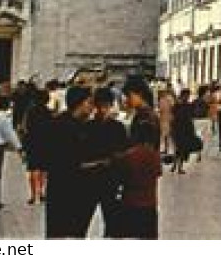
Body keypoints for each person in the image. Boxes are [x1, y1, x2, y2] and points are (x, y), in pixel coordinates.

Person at [43, 85, 97, 238]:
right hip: (68, 189)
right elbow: (73, 161)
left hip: (61, 188)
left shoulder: (60, 122)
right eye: (89, 102)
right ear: (80, 103)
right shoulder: (70, 127)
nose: (92, 107)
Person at [85, 86, 131, 236]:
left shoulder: (118, 128)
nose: (104, 110)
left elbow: (124, 153)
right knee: (83, 220)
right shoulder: (88, 127)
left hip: (110, 179)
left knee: (112, 222)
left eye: (106, 106)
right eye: (101, 106)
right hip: (92, 178)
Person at [112, 117, 162, 239]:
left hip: (129, 202)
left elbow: (121, 177)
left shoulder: (128, 155)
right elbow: (158, 173)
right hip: (149, 204)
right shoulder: (154, 155)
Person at [169, 89, 201, 173]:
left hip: (186, 129)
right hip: (179, 129)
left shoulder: (187, 105)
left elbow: (193, 115)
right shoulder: (177, 106)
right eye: (186, 95)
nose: (187, 97)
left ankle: (177, 166)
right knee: (179, 148)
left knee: (182, 148)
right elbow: (172, 117)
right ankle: (176, 166)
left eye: (188, 95)